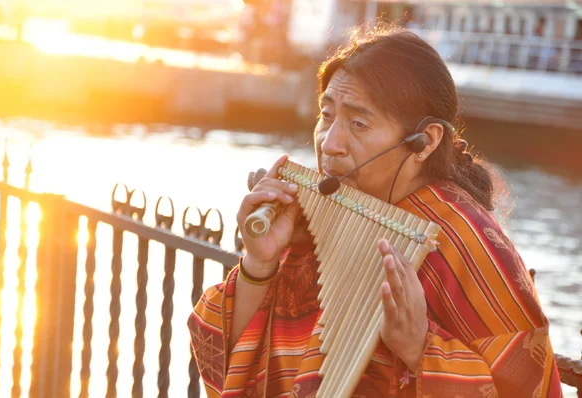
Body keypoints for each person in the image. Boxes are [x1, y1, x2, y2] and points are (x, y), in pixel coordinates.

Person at [188, 26, 563, 397]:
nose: (330, 143)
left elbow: (526, 385)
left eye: (358, 123)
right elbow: (224, 359)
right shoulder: (316, 222)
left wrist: (421, 348)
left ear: (425, 141)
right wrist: (259, 264)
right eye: (327, 114)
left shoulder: (467, 242)